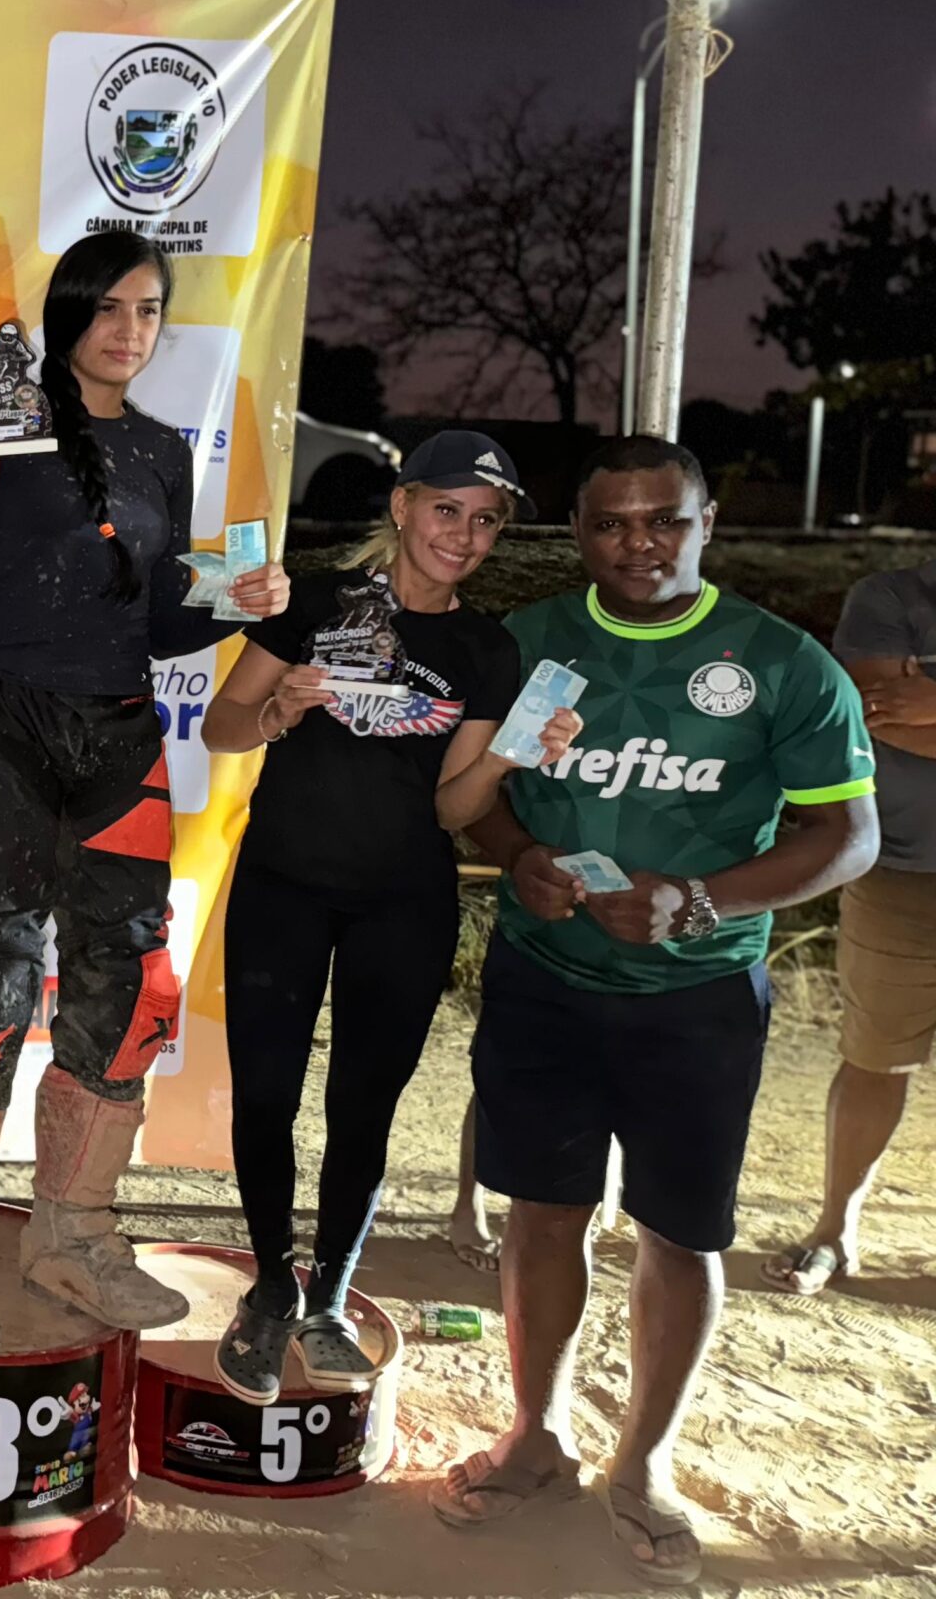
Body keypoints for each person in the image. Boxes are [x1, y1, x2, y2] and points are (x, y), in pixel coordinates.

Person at [438, 436, 878, 1586]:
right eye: (611, 523)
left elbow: (848, 836)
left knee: (679, 1234)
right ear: (577, 532)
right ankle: (537, 1434)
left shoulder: (779, 663)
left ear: (705, 522)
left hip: (697, 996)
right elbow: (473, 797)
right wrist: (520, 856)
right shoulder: (528, 645)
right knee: (542, 1214)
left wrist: (700, 902)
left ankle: (644, 1461)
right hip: (543, 980)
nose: (639, 545)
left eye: (664, 521)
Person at [0, 230, 290, 1345]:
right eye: (108, 308)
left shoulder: (160, 450)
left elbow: (153, 620)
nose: (129, 330)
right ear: (67, 314)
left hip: (119, 735)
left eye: (148, 310)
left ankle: (72, 1237)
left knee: (125, 984)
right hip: (1, 728)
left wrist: (236, 600)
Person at [201, 432, 577, 1402]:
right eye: (447, 509)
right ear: (404, 506)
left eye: (486, 521)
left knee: (362, 1109)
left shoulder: (486, 650)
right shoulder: (315, 603)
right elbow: (220, 726)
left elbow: (453, 809)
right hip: (283, 887)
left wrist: (509, 757)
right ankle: (270, 1290)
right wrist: (278, 713)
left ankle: (327, 1297)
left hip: (405, 903)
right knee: (265, 1097)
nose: (464, 535)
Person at [765, 553, 936, 1294]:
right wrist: (909, 707)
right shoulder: (892, 596)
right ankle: (835, 1228)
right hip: (900, 874)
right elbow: (875, 714)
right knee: (874, 1059)